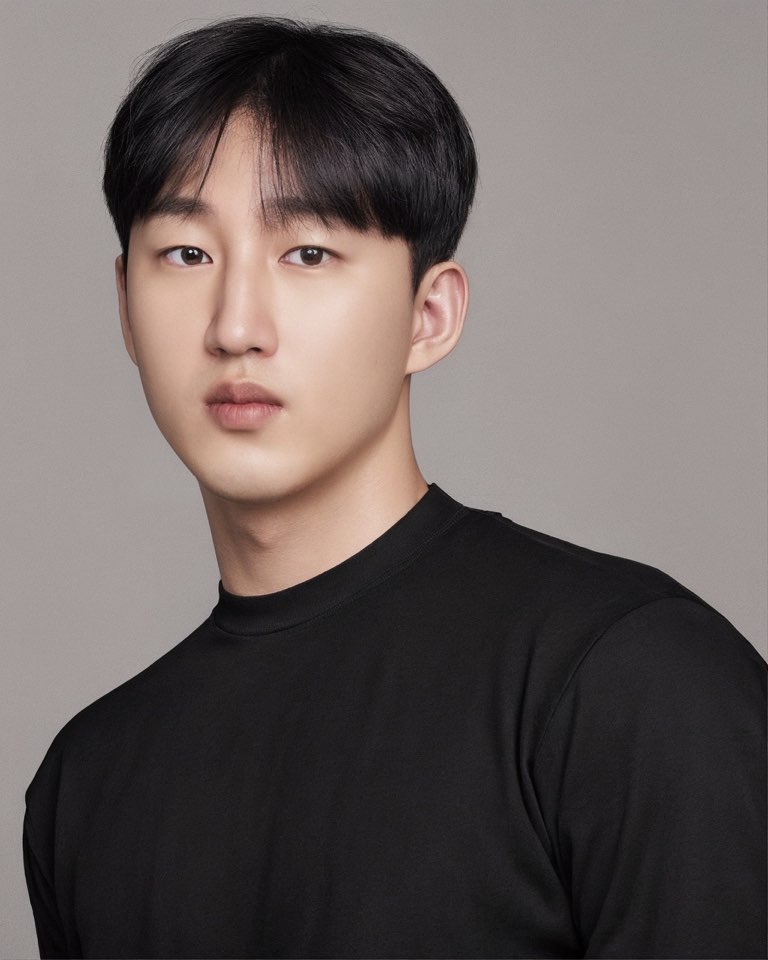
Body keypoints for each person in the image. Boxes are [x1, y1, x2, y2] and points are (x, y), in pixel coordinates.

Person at [23, 15, 766, 960]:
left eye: (307, 253)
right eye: (187, 254)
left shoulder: (631, 680)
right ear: (126, 306)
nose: (235, 326)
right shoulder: (88, 779)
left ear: (429, 315)